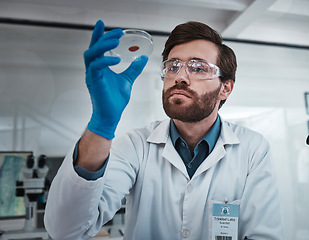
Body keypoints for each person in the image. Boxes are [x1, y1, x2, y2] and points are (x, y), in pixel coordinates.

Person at [44, 20, 284, 240]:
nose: (180, 76)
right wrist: (102, 124)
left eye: (198, 68)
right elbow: (67, 230)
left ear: (225, 88)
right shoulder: (135, 145)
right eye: (173, 66)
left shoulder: (253, 149)